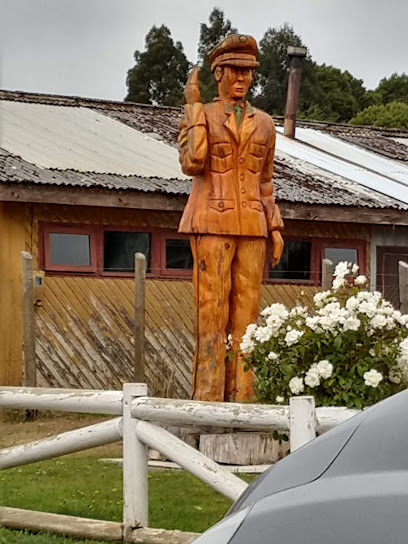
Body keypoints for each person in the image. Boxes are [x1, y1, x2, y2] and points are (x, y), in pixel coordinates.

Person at [178, 34, 284, 402]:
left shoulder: (267, 124)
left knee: (247, 320)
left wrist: (274, 225)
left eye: (248, 72)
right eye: (235, 71)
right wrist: (193, 107)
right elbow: (193, 162)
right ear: (218, 73)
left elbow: (266, 180)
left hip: (253, 227)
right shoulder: (202, 114)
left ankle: (243, 400)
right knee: (211, 314)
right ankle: (206, 401)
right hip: (209, 222)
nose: (242, 79)